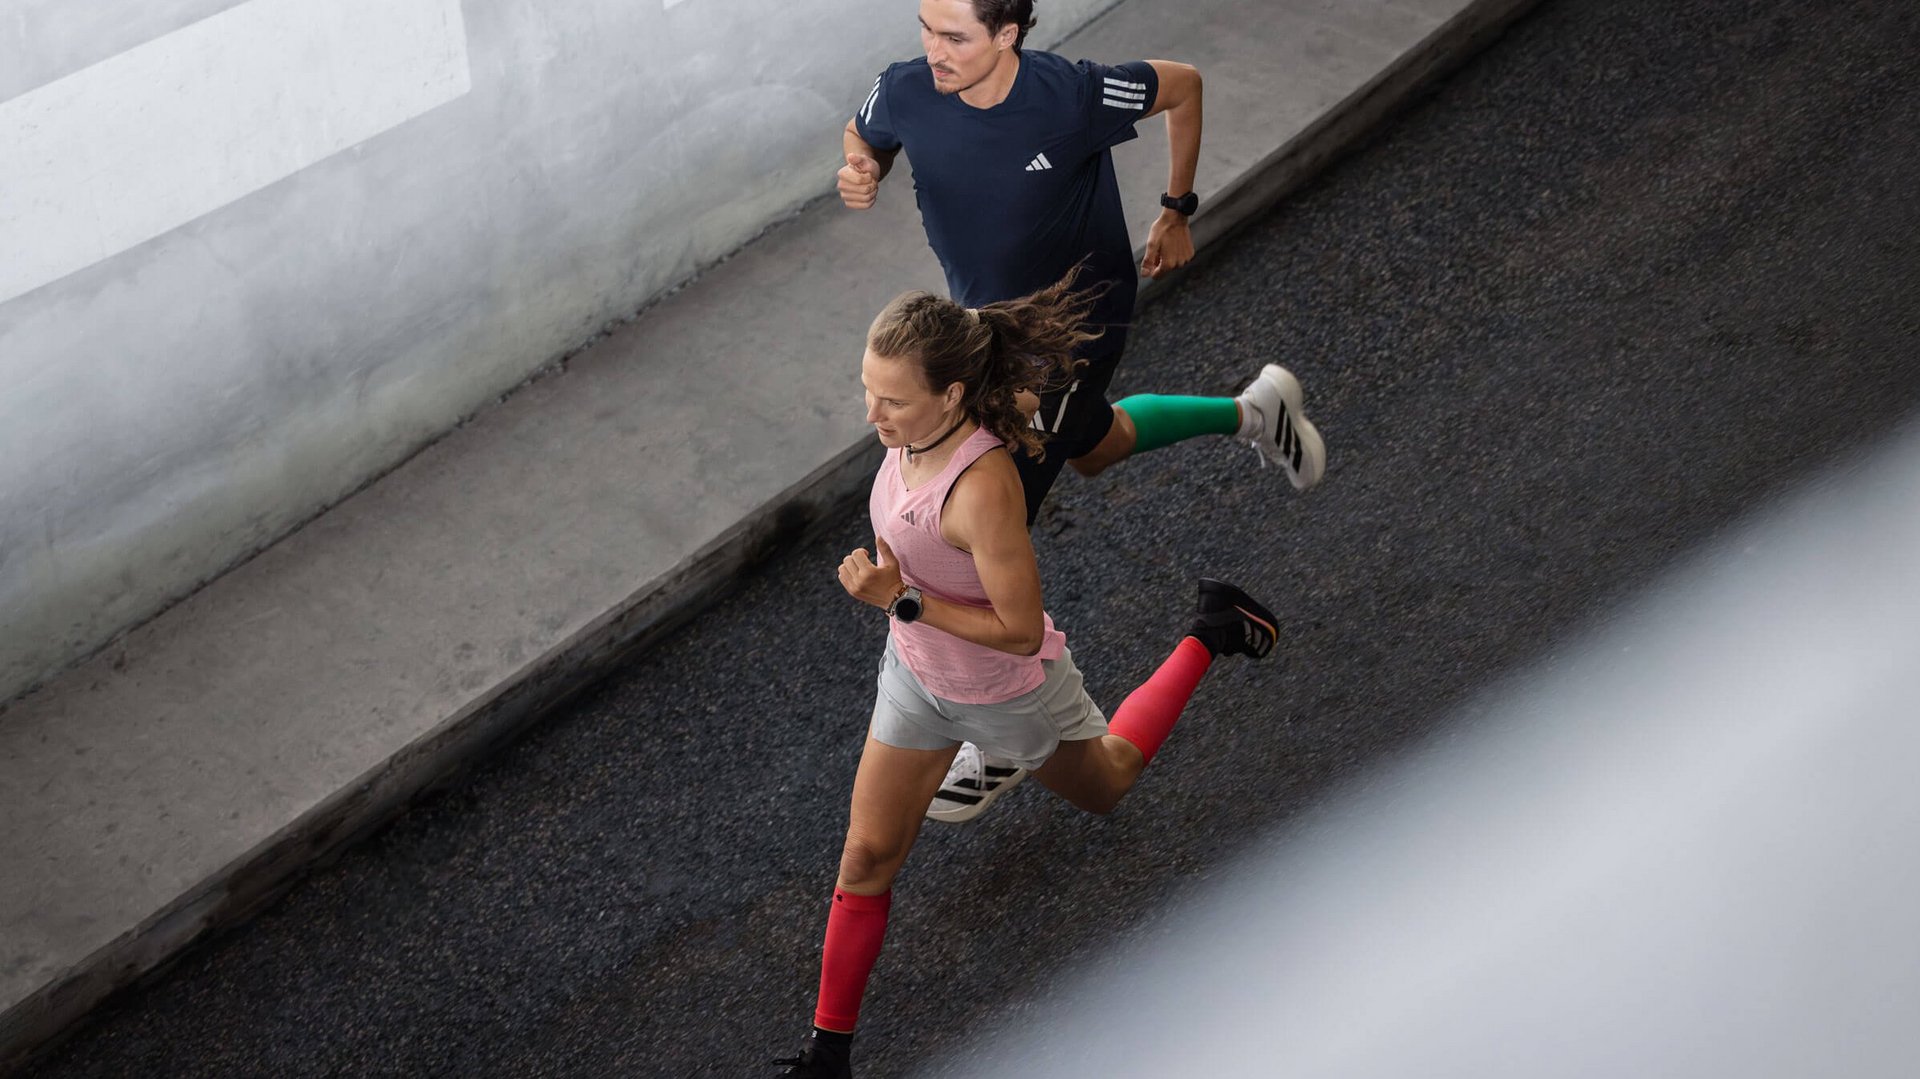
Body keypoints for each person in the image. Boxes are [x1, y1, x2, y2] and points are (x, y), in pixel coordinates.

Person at [769, 273, 1283, 1078]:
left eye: (893, 401)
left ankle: (1211, 631)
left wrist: (900, 599)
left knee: (1108, 781)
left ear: (952, 396)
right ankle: (826, 1056)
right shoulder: (905, 445)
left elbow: (1015, 631)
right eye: (867, 391)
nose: (872, 415)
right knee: (866, 857)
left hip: (1010, 693)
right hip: (916, 681)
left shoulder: (984, 488)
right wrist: (905, 608)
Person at [837, 0, 1325, 822]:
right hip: (982, 329)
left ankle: (998, 729)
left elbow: (1186, 84)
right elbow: (866, 133)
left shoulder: (1072, 98)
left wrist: (1178, 208)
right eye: (925, 26)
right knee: (1095, 447)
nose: (933, 49)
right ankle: (1256, 411)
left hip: (1073, 338)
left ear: (1008, 34)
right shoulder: (907, 90)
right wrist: (862, 169)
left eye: (953, 34)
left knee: (987, 509)